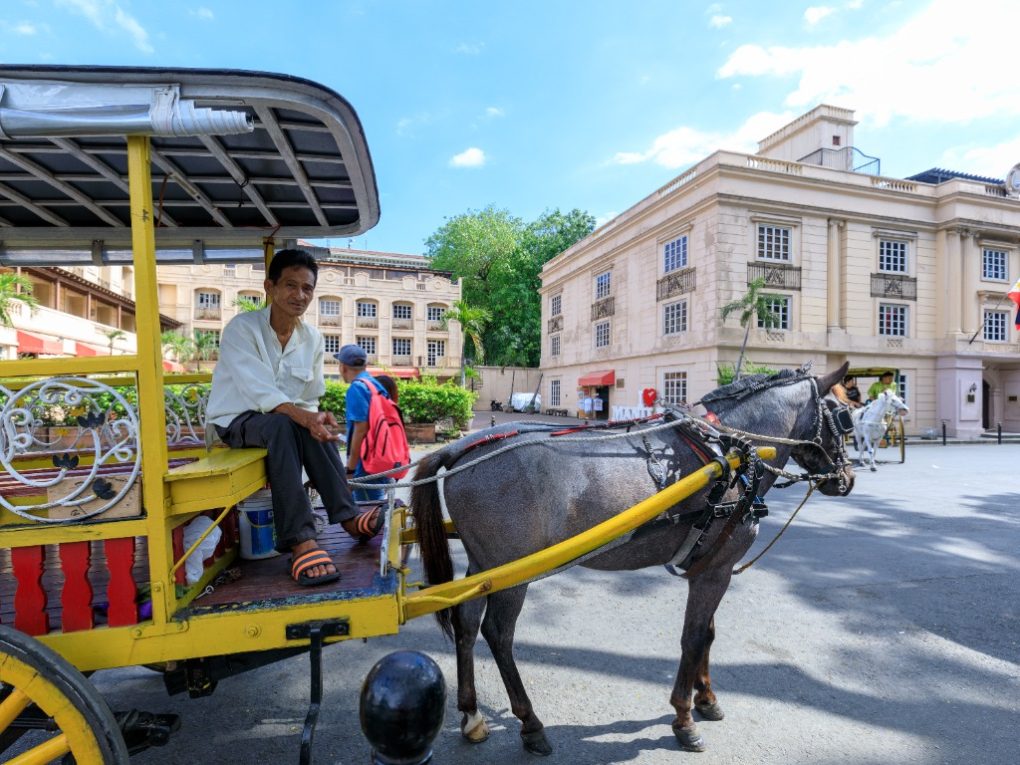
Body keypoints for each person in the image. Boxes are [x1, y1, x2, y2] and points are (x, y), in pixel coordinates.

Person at [207, 249, 383, 587]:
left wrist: (317, 421)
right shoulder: (242, 329)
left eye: (307, 288)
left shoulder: (313, 338)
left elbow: (308, 399)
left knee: (311, 426)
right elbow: (260, 394)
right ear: (269, 287)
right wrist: (305, 417)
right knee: (287, 423)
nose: (299, 295)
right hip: (234, 421)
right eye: (290, 285)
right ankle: (300, 540)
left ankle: (346, 516)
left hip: (281, 422)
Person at [336, 345, 395, 502]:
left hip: (366, 464)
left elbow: (361, 430)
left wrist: (351, 468)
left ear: (342, 367)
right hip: (382, 457)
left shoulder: (356, 388)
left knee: (368, 511)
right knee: (377, 505)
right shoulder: (375, 385)